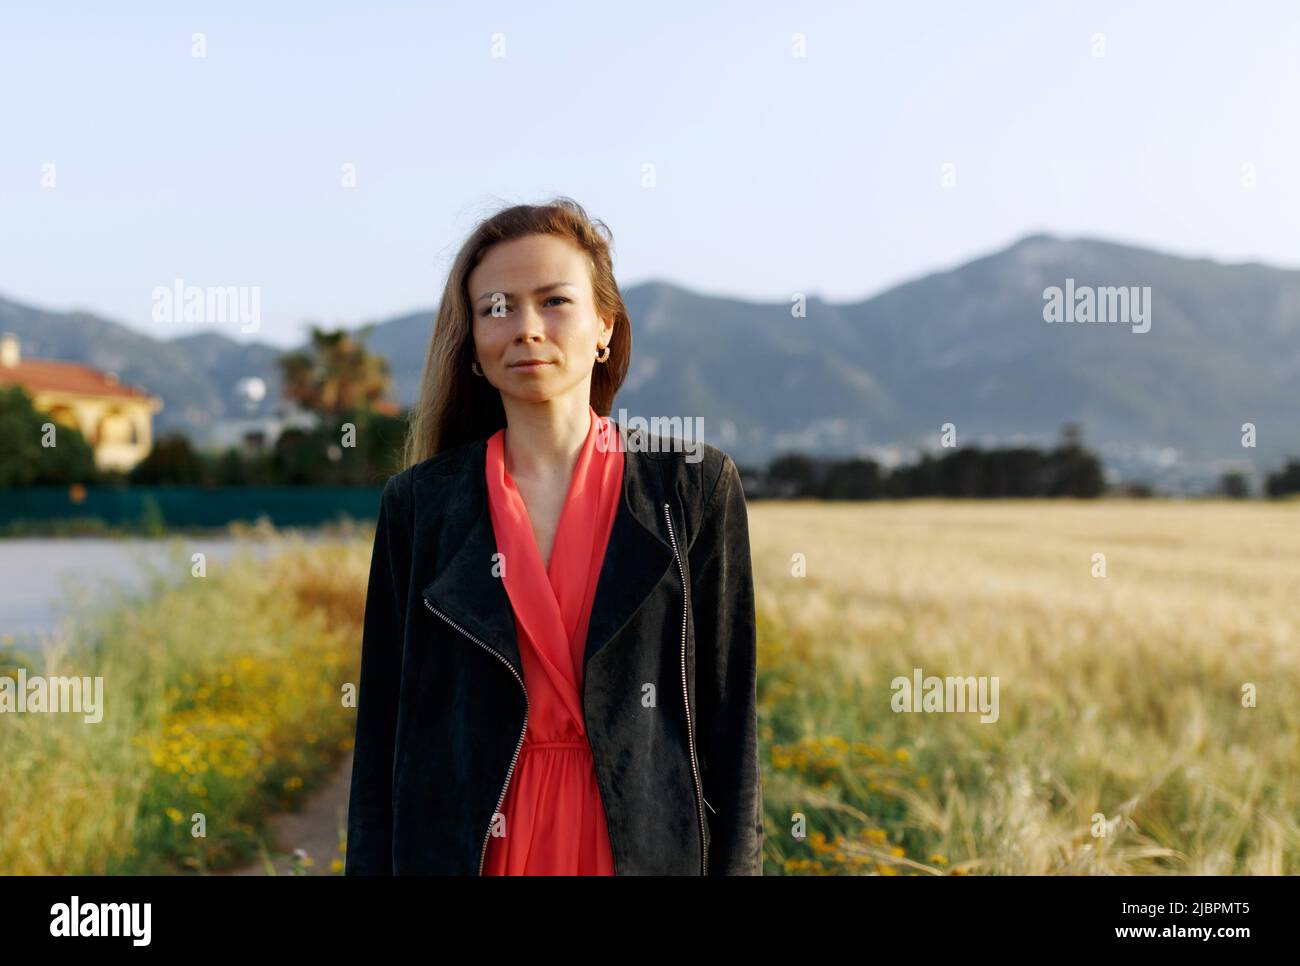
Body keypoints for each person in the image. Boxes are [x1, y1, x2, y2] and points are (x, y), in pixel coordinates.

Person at [345, 197, 762, 875]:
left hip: (641, 846)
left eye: (554, 301)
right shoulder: (420, 506)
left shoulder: (692, 488)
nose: (526, 328)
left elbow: (731, 728)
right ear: (473, 345)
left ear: (605, 326)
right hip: (471, 849)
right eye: (497, 307)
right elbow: (383, 739)